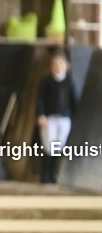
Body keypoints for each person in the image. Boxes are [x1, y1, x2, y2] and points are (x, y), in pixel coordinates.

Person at [36, 50, 77, 184]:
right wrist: (40, 114)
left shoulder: (69, 82)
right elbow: (40, 99)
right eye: (55, 63)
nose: (58, 66)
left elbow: (73, 101)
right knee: (49, 145)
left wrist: (74, 117)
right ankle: (45, 175)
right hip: (50, 118)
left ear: (66, 65)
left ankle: (53, 174)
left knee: (59, 146)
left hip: (64, 118)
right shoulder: (46, 81)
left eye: (60, 63)